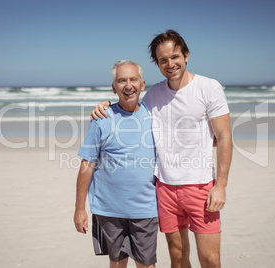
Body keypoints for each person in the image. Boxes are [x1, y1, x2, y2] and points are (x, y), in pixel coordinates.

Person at [91, 30, 232, 268]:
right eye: (163, 60)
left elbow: (225, 138)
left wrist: (221, 186)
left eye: (175, 56)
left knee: (210, 260)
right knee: (177, 258)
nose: (170, 64)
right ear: (157, 64)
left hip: (201, 185)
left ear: (186, 55)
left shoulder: (209, 88)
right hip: (165, 188)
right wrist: (106, 105)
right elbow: (129, 107)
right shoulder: (154, 94)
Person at [74, 60, 158, 268]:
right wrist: (79, 209)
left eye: (133, 80)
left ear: (142, 84)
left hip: (145, 208)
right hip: (109, 209)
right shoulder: (101, 118)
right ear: (114, 87)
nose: (128, 85)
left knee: (146, 264)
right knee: (117, 263)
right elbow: (87, 164)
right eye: (121, 81)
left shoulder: (155, 115)